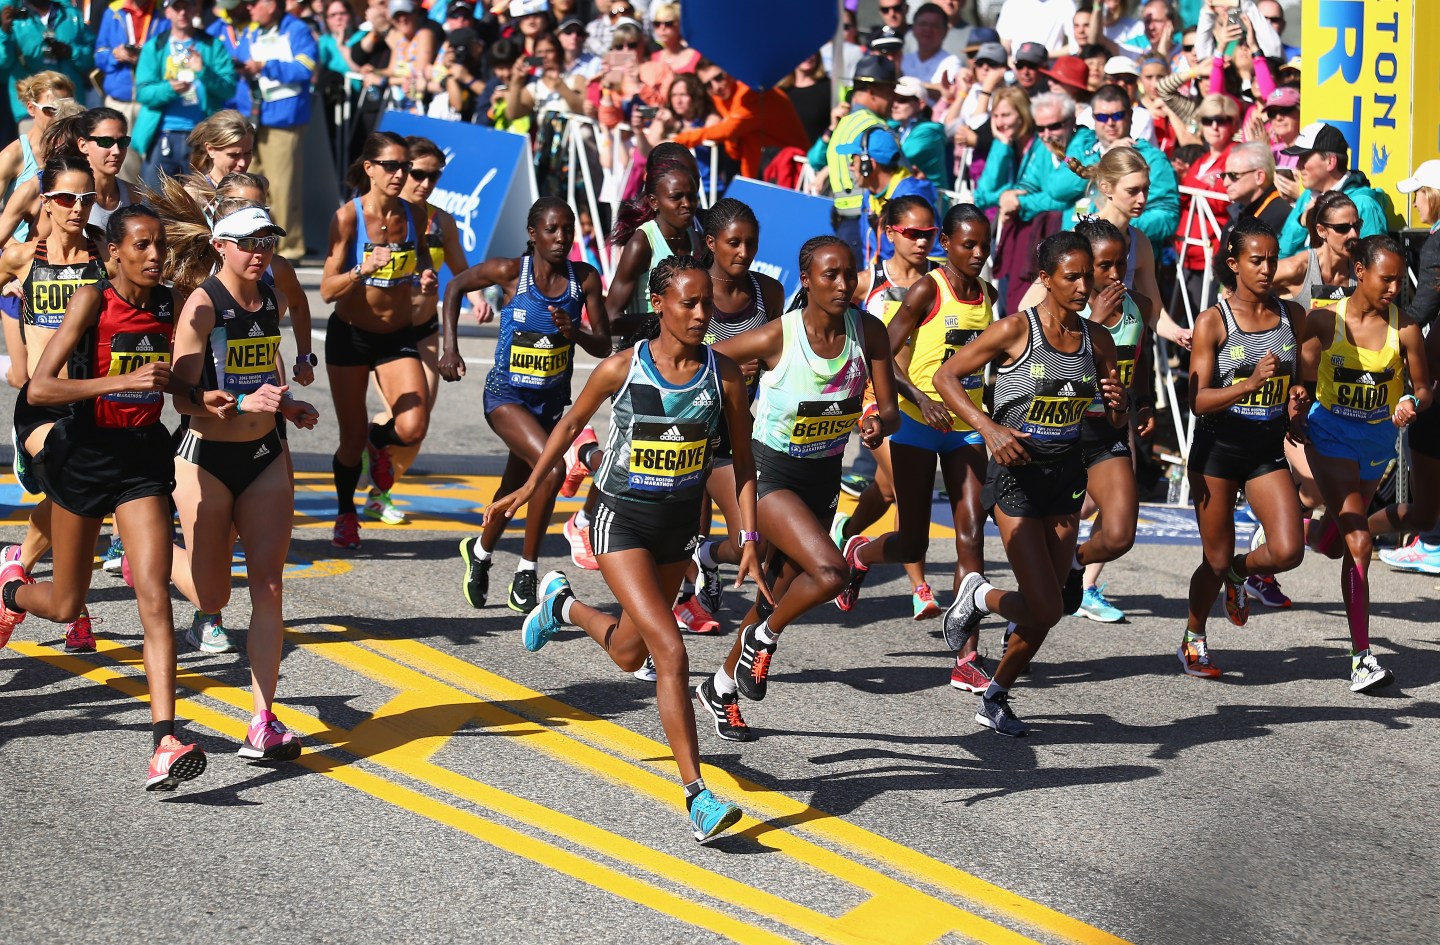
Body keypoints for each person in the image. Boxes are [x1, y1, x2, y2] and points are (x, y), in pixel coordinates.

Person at [487, 255, 764, 843]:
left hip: (674, 531)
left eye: (705, 305)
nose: (699, 314)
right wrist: (529, 487)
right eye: (687, 303)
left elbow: (742, 462)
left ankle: (562, 606)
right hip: (619, 523)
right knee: (670, 651)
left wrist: (749, 536)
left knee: (629, 651)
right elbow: (567, 427)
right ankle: (698, 796)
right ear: (659, 304)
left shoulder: (725, 375)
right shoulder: (623, 367)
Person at [0, 205, 210, 790]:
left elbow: (181, 387)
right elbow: (40, 387)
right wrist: (119, 381)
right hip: (85, 456)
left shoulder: (169, 302)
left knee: (154, 597)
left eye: (159, 246)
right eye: (141, 245)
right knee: (66, 605)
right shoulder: (92, 299)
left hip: (141, 458)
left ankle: (164, 739)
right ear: (113, 253)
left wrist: (201, 399)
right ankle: (11, 589)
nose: (153, 256)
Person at [698, 236, 899, 740]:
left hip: (821, 479)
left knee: (775, 592)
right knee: (831, 572)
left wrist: (874, 420)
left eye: (849, 274)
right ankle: (762, 639)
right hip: (769, 473)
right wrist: (732, 380)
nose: (842, 284)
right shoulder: (776, 337)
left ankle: (720, 687)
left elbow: (890, 408)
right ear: (806, 280)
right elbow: (702, 360)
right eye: (829, 275)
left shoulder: (868, 332)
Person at [934, 231, 1127, 737]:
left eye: (1089, 275)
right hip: (1016, 472)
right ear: (1046, 280)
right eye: (1072, 276)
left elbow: (1112, 413)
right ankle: (976, 596)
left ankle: (995, 694)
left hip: (1064, 474)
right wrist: (990, 429)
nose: (1085, 285)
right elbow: (947, 377)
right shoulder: (1016, 330)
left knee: (1055, 607)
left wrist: (1118, 400)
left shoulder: (1097, 339)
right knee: (1042, 603)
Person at [165, 197, 319, 754]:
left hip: (262, 458)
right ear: (220, 247)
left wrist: (285, 405)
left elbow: (267, 364)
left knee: (269, 587)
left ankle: (263, 718)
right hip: (205, 458)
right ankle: (149, 555)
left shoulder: (271, 296)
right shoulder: (202, 307)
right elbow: (183, 398)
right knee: (213, 594)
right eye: (249, 242)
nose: (261, 252)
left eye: (268, 241)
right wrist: (235, 399)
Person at [843, 204, 997, 693]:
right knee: (912, 543)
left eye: (984, 243)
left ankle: (966, 656)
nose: (978, 252)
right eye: (967, 244)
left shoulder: (989, 296)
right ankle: (861, 554)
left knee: (969, 534)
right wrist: (917, 399)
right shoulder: (929, 289)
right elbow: (883, 350)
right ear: (946, 244)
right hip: (915, 425)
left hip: (965, 429)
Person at [443, 197, 608, 611]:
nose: (561, 238)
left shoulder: (584, 279)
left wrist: (576, 333)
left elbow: (604, 345)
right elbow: (455, 286)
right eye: (552, 230)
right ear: (533, 234)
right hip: (506, 398)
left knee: (514, 486)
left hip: (550, 407)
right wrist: (450, 348)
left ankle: (479, 553)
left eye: (568, 230)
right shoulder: (511, 273)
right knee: (551, 471)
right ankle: (527, 571)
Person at [1291, 235, 1430, 693]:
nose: (1393, 287)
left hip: (1376, 439)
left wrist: (1410, 399)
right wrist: (1295, 410)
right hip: (1329, 434)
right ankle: (1361, 659)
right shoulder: (1323, 320)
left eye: (1397, 279)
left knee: (1335, 543)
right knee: (1358, 541)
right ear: (1360, 274)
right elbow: (1302, 377)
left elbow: (1425, 388)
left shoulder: (1405, 328)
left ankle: (1303, 535)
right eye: (1385, 278)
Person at [1183, 217, 1306, 679]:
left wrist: (1297, 402)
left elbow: (1298, 382)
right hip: (1217, 449)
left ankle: (1241, 573)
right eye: (1256, 260)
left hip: (1264, 447)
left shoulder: (1291, 315)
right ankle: (1194, 635)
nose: (1267, 268)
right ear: (1234, 264)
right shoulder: (1213, 321)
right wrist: (1250, 382)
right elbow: (1197, 400)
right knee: (1212, 559)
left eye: (1272, 259)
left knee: (1289, 550)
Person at [0, 154, 106, 652]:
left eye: (87, 199)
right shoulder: (25, 257)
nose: (77, 208)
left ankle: (18, 567)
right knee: (74, 478)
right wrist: (9, 300)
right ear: (46, 201)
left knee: (80, 502)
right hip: (41, 405)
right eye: (66, 198)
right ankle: (55, 599)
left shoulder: (105, 256)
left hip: (90, 399)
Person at [319, 131, 437, 550]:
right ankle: (346, 512)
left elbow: (420, 253)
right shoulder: (347, 217)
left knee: (413, 425)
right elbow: (328, 291)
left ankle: (379, 440)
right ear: (369, 168)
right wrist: (362, 270)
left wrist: (424, 273)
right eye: (391, 165)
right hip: (350, 336)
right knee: (350, 440)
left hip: (396, 337)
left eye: (405, 166)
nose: (400, 174)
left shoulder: (414, 214)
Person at [676, 198, 784, 636]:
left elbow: (781, 359)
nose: (743, 252)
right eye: (733, 243)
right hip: (683, 430)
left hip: (731, 435)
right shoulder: (694, 290)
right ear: (710, 242)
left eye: (751, 244)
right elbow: (676, 359)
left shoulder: (768, 293)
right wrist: (728, 370)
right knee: (674, 531)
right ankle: (677, 605)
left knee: (753, 539)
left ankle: (704, 560)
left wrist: (767, 367)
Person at [359, 137, 470, 526]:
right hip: (385, 332)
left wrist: (492, 290)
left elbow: (462, 271)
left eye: (434, 176)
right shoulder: (374, 217)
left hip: (424, 330)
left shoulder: (440, 221)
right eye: (418, 174)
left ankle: (377, 492)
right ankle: (371, 444)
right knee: (401, 412)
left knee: (417, 424)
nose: (425, 183)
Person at [830, 195, 938, 571]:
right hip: (877, 397)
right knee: (906, 486)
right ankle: (919, 587)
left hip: (925, 397)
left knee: (889, 488)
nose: (922, 241)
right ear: (891, 233)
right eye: (912, 233)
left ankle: (847, 532)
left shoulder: (942, 280)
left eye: (929, 233)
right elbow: (820, 317)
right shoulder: (866, 282)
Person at [1374, 161, 1440, 573]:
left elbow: (1425, 303)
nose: (1414, 201)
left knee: (1426, 507)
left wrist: (1394, 332)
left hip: (1433, 378)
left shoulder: (1437, 242)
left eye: (1419, 192)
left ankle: (1347, 532)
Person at [1047, 82, 1180, 253]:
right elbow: (1056, 189)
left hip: (1124, 255)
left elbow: (1167, 218)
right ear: (1093, 119)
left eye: (1117, 115)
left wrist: (1113, 224)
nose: (1110, 123)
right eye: (1102, 117)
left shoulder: (1151, 158)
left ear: (1130, 115)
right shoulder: (1084, 146)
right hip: (1075, 251)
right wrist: (1102, 158)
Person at [232, 0, 317, 259]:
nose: (249, 8)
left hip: (284, 120)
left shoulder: (297, 29)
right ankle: (257, 238)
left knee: (282, 186)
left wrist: (266, 66)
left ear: (271, 4)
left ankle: (290, 248)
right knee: (252, 183)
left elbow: (306, 67)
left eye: (254, 3)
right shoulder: (251, 31)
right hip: (254, 118)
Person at [134, 0, 237, 189]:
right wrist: (169, 89)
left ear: (196, 9)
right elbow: (142, 92)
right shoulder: (155, 46)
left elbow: (229, 88)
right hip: (162, 136)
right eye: (176, 7)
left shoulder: (212, 45)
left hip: (201, 137)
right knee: (154, 203)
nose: (182, 12)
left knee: (200, 202)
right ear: (167, 12)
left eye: (188, 6)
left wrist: (203, 71)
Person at [812, 54, 896, 262]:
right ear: (872, 91)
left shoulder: (843, 124)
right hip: (869, 223)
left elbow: (817, 159)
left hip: (844, 222)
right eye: (889, 91)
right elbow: (897, 177)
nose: (893, 99)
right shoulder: (875, 129)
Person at [670, 59, 808, 181]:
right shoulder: (720, 99)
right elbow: (734, 149)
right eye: (708, 85)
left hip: (792, 169)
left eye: (719, 78)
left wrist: (680, 140)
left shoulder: (750, 92)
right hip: (760, 172)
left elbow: (729, 129)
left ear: (729, 72)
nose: (716, 87)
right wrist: (732, 140)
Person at [1277, 122, 1391, 258]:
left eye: (1304, 157)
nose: (1298, 165)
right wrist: (1302, 222)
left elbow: (1373, 265)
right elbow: (1280, 255)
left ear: (1331, 162)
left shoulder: (1364, 205)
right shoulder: (1307, 197)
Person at [837, 126, 939, 265]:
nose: (851, 167)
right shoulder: (870, 196)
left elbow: (936, 254)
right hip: (880, 280)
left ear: (868, 165)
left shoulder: (912, 199)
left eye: (853, 159)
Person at [96, 0, 170, 180]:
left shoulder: (163, 12)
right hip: (120, 102)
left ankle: (149, 206)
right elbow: (98, 55)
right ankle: (126, 206)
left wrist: (146, 59)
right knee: (122, 164)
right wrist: (115, 54)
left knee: (154, 167)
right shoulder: (114, 11)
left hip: (153, 104)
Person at [0, 0, 93, 137]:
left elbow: (91, 58)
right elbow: (3, 62)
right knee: (36, 157)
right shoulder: (15, 18)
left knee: (73, 156)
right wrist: (4, 33)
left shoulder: (70, 14)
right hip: (31, 112)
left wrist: (71, 52)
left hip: (70, 108)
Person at [1272, 191, 1357, 311]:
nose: (1353, 234)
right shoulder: (1297, 268)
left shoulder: (1361, 271)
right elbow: (1244, 284)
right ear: (1321, 230)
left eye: (1357, 226)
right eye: (1342, 228)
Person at [1218, 139, 1290, 246]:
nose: (1225, 183)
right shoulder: (1238, 212)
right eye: (1224, 176)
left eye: (1233, 175)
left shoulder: (1281, 216)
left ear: (1260, 176)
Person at [889, 75, 948, 189]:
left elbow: (895, 158)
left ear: (920, 103)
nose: (894, 105)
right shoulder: (896, 127)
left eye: (902, 100)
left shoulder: (930, 132)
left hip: (933, 200)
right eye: (893, 98)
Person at [901, 3, 960, 87]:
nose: (928, 29)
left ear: (946, 31)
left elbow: (948, 92)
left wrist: (904, 84)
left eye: (935, 25)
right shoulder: (903, 60)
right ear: (913, 28)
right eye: (923, 24)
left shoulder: (951, 62)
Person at [996, 0, 1078, 56]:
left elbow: (1075, 46)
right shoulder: (1012, 3)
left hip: (1048, 72)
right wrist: (1010, 59)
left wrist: (1041, 56)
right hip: (1017, 70)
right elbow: (1005, 40)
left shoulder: (1065, 4)